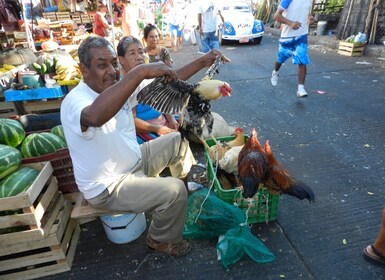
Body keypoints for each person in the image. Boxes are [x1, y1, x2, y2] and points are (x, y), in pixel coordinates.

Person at [60, 35, 228, 257]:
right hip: (108, 187)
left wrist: (201, 62)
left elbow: (166, 81)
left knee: (177, 140)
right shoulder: (75, 101)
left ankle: (177, 204)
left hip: (134, 162)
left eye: (112, 63)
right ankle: (160, 240)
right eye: (102, 65)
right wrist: (140, 71)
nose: (111, 71)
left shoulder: (116, 88)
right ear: (83, 69)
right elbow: (95, 116)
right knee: (173, 190)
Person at [118, 34, 178, 143]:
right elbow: (132, 120)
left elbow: (162, 101)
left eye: (141, 52)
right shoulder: (122, 86)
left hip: (161, 121)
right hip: (143, 130)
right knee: (174, 143)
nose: (139, 57)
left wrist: (171, 119)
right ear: (121, 60)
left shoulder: (148, 75)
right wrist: (158, 129)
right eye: (132, 53)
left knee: (192, 121)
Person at [270, 0, 313, 98]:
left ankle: (300, 89)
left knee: (302, 60)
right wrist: (290, 23)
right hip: (287, 37)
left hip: (301, 35)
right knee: (280, 60)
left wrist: (309, 17)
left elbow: (305, 12)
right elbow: (276, 16)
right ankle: (275, 72)